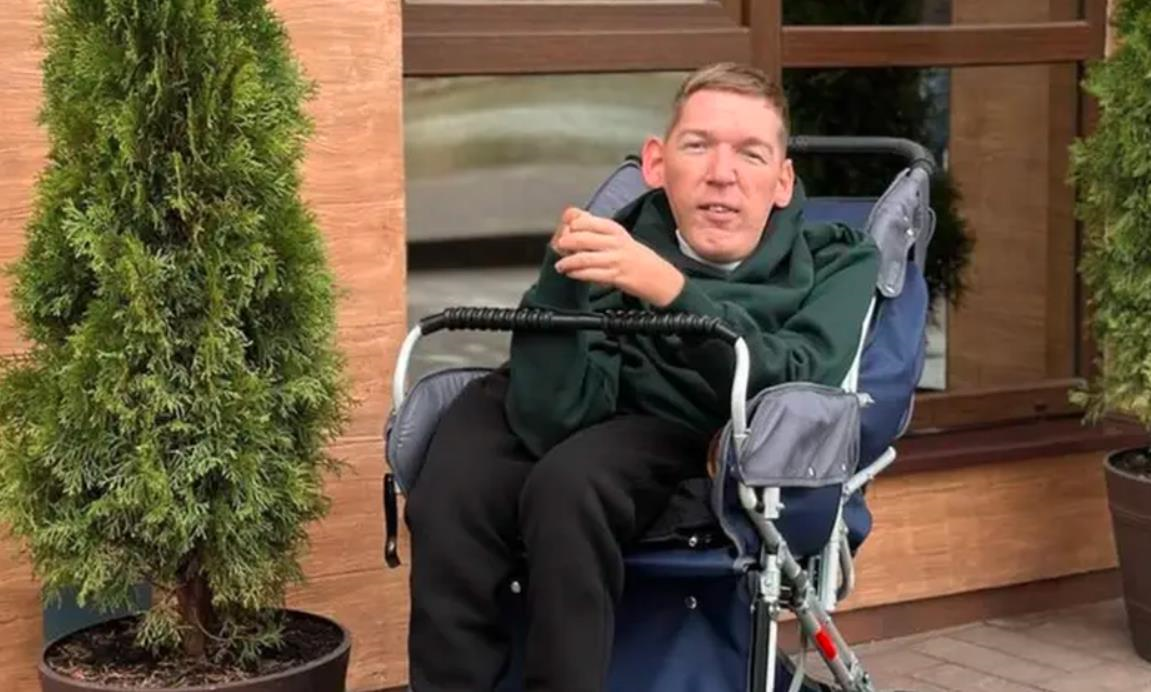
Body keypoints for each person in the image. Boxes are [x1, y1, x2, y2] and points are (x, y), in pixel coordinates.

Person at [404, 62, 880, 692]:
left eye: (751, 153)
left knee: (570, 487)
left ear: (783, 181)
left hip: (701, 429)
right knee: (455, 484)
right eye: (698, 145)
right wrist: (560, 285)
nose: (723, 173)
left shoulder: (836, 259)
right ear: (657, 163)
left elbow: (797, 382)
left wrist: (671, 292)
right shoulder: (613, 242)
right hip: (571, 404)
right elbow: (556, 416)